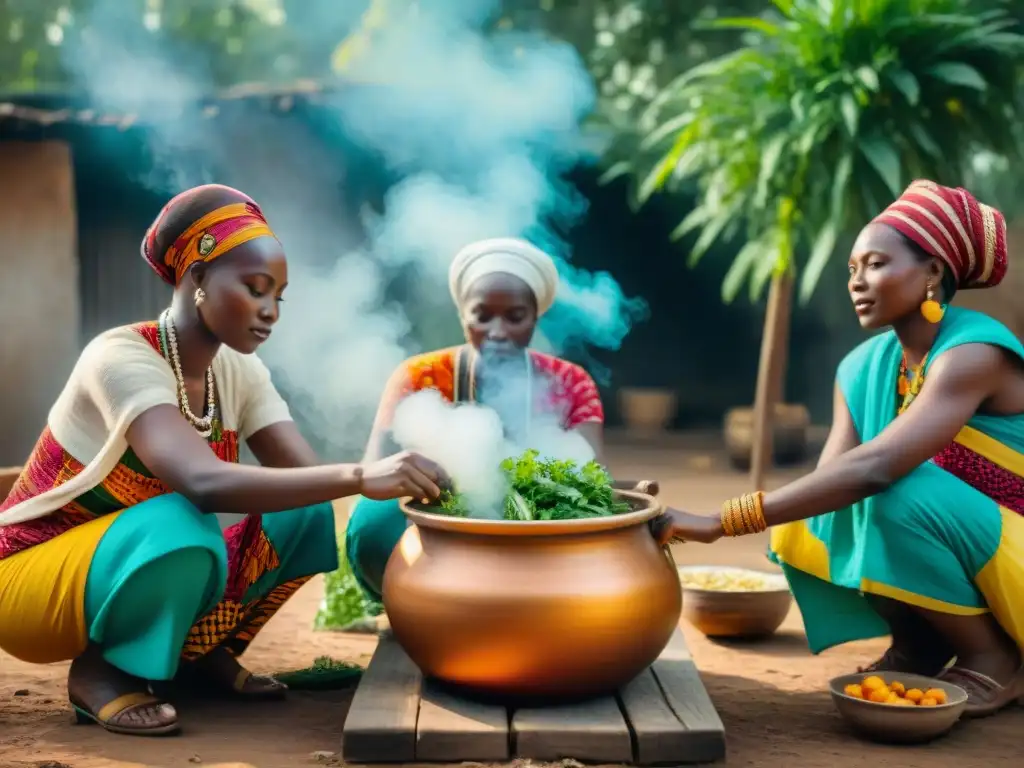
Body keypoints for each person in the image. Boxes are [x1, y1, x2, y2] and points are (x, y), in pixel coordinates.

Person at [0, 184, 448, 737]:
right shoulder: (119, 356)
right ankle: (103, 672)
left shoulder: (236, 370)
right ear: (197, 278)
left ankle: (198, 653)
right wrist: (361, 473)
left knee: (304, 513)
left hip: (131, 558)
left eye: (280, 296)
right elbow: (201, 482)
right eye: (256, 289)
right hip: (28, 581)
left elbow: (301, 476)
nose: (270, 311)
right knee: (181, 522)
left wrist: (409, 477)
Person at [653, 180, 1024, 718]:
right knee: (816, 514)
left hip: (1013, 542)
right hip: (962, 536)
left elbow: (875, 469)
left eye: (875, 264)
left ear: (933, 272)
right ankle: (920, 641)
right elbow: (839, 480)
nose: (857, 282)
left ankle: (993, 655)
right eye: (852, 269)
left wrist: (721, 520)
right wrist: (781, 514)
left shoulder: (973, 354)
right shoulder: (861, 367)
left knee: (897, 490)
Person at [346, 237, 656, 601]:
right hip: (432, 531)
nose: (497, 332)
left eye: (515, 317)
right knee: (372, 518)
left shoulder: (570, 382)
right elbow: (373, 469)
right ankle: (407, 602)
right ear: (463, 315)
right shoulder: (420, 375)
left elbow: (592, 477)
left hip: (536, 529)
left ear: (535, 317)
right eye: (482, 315)